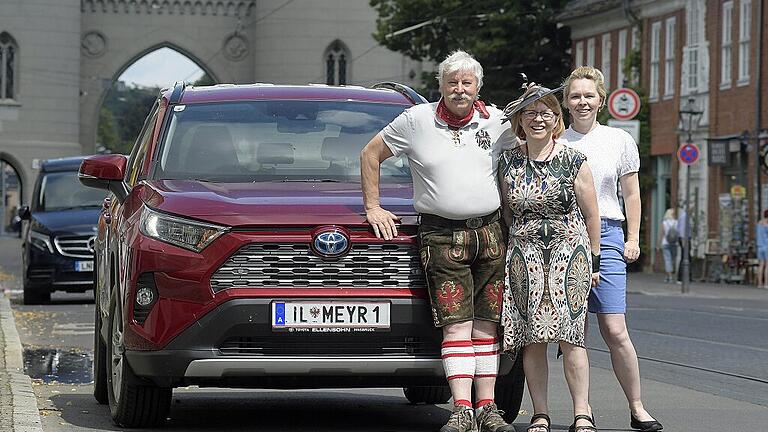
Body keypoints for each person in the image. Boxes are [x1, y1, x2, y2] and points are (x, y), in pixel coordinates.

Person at [361, 50, 517, 432]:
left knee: (487, 326)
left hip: (489, 233)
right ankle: (462, 409)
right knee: (455, 324)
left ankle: (488, 409)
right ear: (441, 86)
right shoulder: (416, 120)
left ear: (478, 86)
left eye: (467, 83)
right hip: (441, 234)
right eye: (452, 83)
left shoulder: (497, 121)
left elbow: (537, 142)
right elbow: (370, 153)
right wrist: (373, 207)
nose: (460, 90)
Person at [561, 66, 663, 432]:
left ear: (601, 100)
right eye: (575, 96)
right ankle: (582, 411)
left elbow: (632, 193)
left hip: (607, 232)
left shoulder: (619, 140)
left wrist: (633, 238)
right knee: (573, 333)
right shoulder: (558, 141)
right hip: (565, 236)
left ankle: (637, 407)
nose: (582, 101)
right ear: (566, 102)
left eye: (589, 95)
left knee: (615, 328)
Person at [499, 82, 601, 432]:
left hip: (568, 256)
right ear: (520, 121)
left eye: (546, 113)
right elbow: (508, 212)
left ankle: (582, 412)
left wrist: (595, 261)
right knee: (532, 338)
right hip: (524, 256)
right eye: (530, 113)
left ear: (557, 119)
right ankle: (540, 413)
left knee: (571, 336)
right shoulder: (508, 161)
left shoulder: (574, 160)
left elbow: (591, 215)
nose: (538, 119)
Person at [657, 209, 678, 283]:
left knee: (667, 260)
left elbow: (661, 234)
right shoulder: (676, 223)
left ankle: (669, 276)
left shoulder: (664, 223)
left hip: (665, 243)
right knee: (672, 260)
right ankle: (670, 275)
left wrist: (658, 244)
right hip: (674, 243)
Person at [756, 209, 768, 288]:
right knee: (767, 266)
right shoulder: (767, 224)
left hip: (759, 246)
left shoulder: (759, 223)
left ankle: (759, 284)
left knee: (761, 265)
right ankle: (766, 284)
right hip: (767, 246)